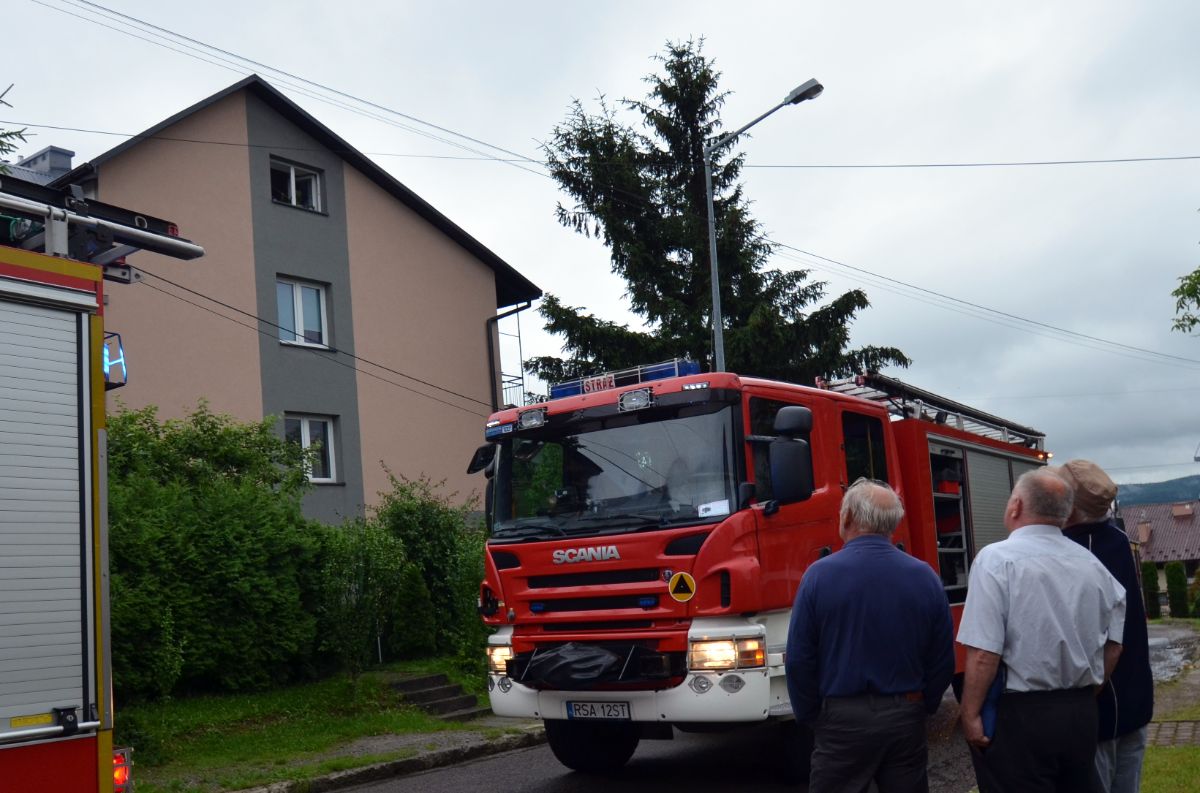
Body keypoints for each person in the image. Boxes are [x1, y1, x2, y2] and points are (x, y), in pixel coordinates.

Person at [958, 468, 1127, 793]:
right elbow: (1115, 646)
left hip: (1021, 718)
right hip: (1081, 713)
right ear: (1065, 515)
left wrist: (970, 714)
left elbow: (983, 653)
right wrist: (1085, 692)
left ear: (1016, 506)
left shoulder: (995, 561)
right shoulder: (1093, 566)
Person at [786, 478, 954, 793]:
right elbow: (942, 656)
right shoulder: (925, 576)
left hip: (841, 719)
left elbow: (799, 659)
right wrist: (924, 705)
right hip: (905, 716)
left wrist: (813, 716)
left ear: (847, 517)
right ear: (893, 524)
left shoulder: (818, 576)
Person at [1058, 459, 1154, 793]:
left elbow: (1101, 642)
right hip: (1135, 702)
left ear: (1069, 509)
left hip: (1101, 711)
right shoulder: (1117, 538)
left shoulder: (1079, 552)